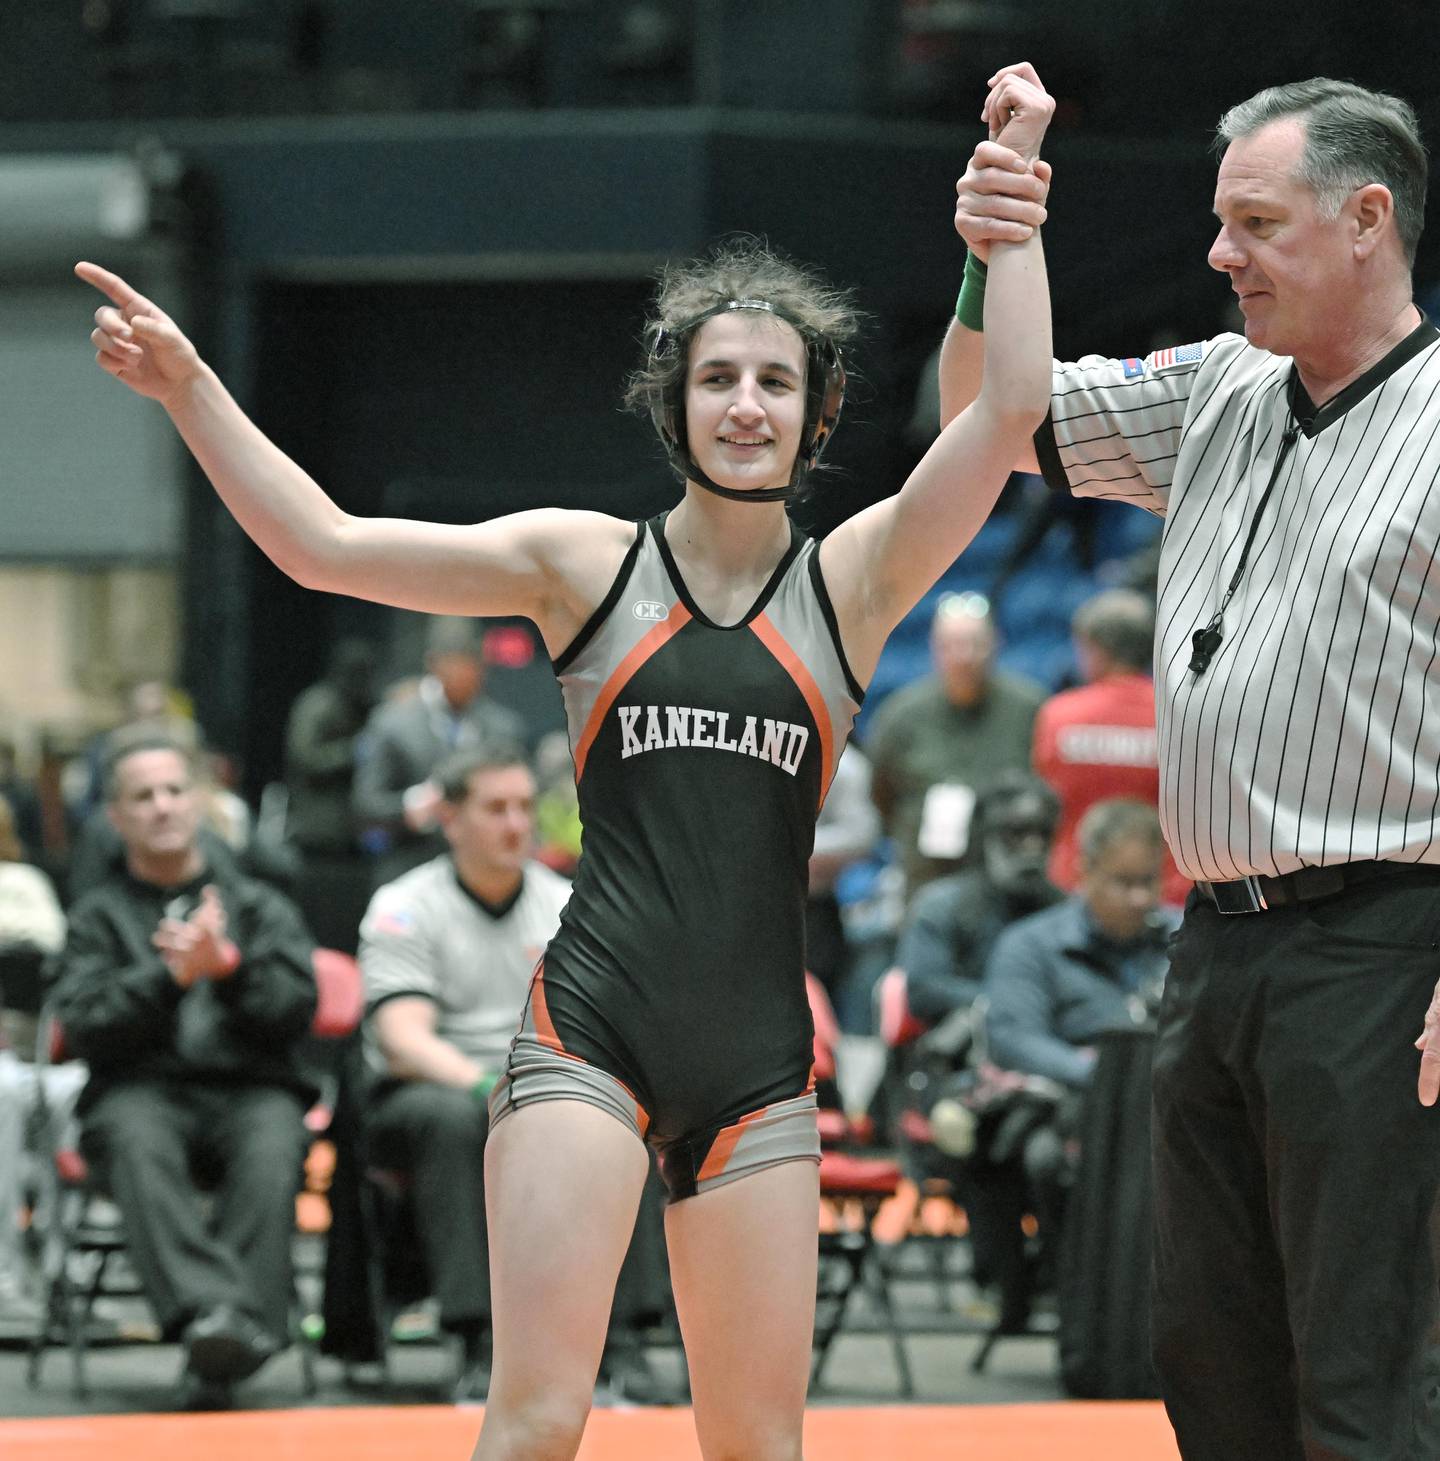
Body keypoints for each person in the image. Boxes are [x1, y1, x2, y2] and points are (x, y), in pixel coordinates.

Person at [75, 68, 1053, 1457]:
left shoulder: (858, 581)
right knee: (536, 1422)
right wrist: (189, 388)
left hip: (761, 1063)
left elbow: (1007, 413)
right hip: (588, 1030)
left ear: (818, 413)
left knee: (759, 1446)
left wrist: (1002, 228)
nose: (746, 405)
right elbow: (325, 546)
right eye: (718, 378)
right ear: (677, 404)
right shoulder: (582, 564)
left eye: (778, 382)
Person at [945, 61, 1440, 1459]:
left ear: (1366, 219)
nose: (1220, 255)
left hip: (1389, 948)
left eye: (1257, 225)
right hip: (1211, 944)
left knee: (1363, 1363)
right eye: (1221, 223)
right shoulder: (1219, 385)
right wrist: (1003, 240)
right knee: (1210, 1356)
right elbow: (992, 413)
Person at [49, 737, 317, 1409]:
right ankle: (224, 1317)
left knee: (274, 1138)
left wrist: (229, 969)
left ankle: (215, 1332)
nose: (162, 805)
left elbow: (296, 1011)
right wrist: (166, 979)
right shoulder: (95, 916)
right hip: (138, 1090)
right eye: (142, 795)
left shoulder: (258, 905)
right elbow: (83, 1022)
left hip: (253, 1088)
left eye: (173, 789)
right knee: (134, 1134)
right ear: (115, 816)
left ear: (199, 800)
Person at [359, 746, 571, 1400]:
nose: (517, 824)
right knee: (458, 1120)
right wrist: (489, 1088)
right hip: (429, 1093)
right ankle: (479, 1338)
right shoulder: (405, 904)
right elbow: (402, 1038)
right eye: (496, 808)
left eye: (524, 808)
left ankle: (621, 1340)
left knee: (623, 1119)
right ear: (450, 818)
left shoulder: (567, 904)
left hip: (542, 1087)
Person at [866, 591, 1044, 898]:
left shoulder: (1030, 708)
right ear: (934, 648)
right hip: (927, 879)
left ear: (996, 644)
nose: (964, 655)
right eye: (951, 645)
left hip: (1009, 880)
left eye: (975, 643)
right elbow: (881, 796)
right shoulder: (901, 715)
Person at [1031, 588, 1189, 906]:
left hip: (1076, 891)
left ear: (1096, 650)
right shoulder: (1178, 714)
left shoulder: (1058, 715)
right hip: (1163, 894)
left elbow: (1045, 801)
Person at [353, 616, 527, 885]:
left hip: (485, 876)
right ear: (434, 664)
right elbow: (364, 806)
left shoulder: (502, 728)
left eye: (474, 666)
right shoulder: (392, 723)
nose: (467, 675)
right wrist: (409, 806)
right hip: (410, 868)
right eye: (457, 665)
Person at [894, 770, 1062, 1027]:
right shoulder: (941, 907)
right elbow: (923, 991)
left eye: (1043, 834)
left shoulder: (1062, 911)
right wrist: (1011, 1001)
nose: (1032, 847)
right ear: (986, 837)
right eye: (1017, 833)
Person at [0, 792, 78, 1326]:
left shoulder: (23, 883)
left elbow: (53, 944)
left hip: (35, 1051)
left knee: (80, 1086)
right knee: (0, 1092)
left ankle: (59, 1270)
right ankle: (3, 1272)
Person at [283, 636, 378, 857]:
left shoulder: (363, 706)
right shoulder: (316, 705)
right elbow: (305, 758)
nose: (362, 682)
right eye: (356, 673)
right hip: (317, 824)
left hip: (354, 827)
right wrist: (350, 753)